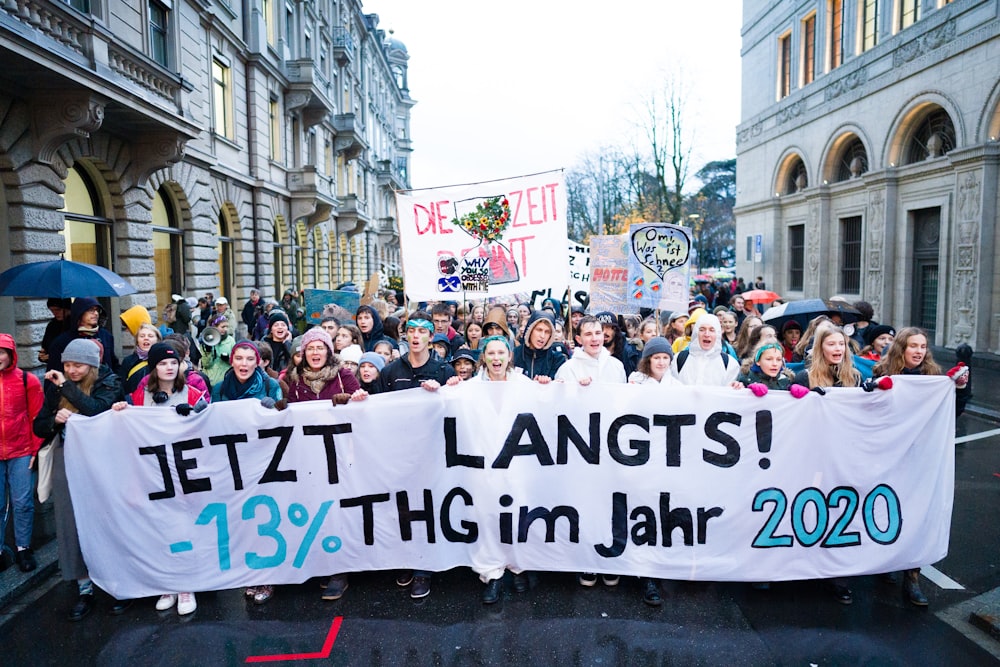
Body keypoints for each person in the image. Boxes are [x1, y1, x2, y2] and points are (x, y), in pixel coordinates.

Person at [872, 327, 969, 606]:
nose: (918, 351)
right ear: (901, 348)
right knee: (888, 511)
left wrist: (959, 390)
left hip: (921, 458)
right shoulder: (882, 373)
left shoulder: (934, 378)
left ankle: (912, 577)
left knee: (917, 514)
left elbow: (951, 412)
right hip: (890, 457)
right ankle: (884, 561)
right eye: (913, 346)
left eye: (923, 346)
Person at [112, 342, 208, 615]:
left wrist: (194, 416)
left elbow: (211, 423)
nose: (169, 367)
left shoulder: (194, 392)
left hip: (186, 470)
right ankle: (168, 582)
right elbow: (126, 427)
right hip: (152, 471)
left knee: (185, 526)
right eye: (163, 363)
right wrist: (121, 411)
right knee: (159, 527)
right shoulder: (140, 395)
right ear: (153, 367)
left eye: (173, 362)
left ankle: (187, 585)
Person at [34, 339, 124, 620]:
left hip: (102, 461)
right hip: (66, 457)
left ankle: (117, 584)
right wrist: (56, 421)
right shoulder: (57, 386)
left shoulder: (109, 382)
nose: (71, 370)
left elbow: (95, 409)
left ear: (92, 365)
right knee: (70, 522)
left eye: (78, 365)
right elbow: (39, 425)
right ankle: (84, 587)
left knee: (107, 520)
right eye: (68, 365)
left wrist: (65, 388)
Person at [445, 335, 536, 604]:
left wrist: (546, 387)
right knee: (486, 517)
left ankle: (517, 567)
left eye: (501, 353)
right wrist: (446, 389)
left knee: (517, 514)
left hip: (517, 464)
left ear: (509, 356)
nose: (496, 358)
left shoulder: (524, 384)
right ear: (483, 357)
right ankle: (492, 575)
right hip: (483, 466)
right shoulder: (470, 387)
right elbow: (447, 408)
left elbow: (547, 405)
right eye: (491, 353)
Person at [372, 317, 457, 598]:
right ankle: (406, 559)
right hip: (399, 451)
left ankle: (424, 568)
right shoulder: (391, 370)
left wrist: (447, 391)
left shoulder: (443, 369)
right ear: (405, 335)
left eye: (423, 331)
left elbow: (455, 411)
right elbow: (377, 406)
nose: (416, 336)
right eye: (411, 331)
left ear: (431, 338)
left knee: (428, 509)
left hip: (432, 452)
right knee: (403, 508)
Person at [283, 328, 363, 602]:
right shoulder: (294, 380)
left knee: (337, 510)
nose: (315, 353)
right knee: (316, 508)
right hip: (308, 456)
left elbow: (364, 405)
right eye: (310, 348)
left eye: (320, 348)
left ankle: (340, 570)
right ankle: (322, 562)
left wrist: (347, 402)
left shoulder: (343, 376)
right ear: (303, 353)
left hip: (341, 454)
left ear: (329, 352)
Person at [790, 324, 862, 605]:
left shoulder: (854, 378)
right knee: (811, 510)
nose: (837, 350)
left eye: (841, 345)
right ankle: (804, 566)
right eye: (832, 344)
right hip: (811, 457)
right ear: (821, 348)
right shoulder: (804, 376)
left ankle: (837, 576)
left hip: (842, 457)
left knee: (839, 511)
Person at [211, 340, 283, 603]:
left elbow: (282, 418)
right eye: (238, 358)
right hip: (233, 461)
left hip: (264, 460)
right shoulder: (220, 389)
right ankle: (251, 574)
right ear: (232, 361)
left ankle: (268, 576)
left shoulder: (269, 385)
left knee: (266, 516)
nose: (243, 364)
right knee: (243, 519)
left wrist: (274, 408)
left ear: (258, 362)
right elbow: (211, 424)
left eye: (248, 359)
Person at [0, 333, 44, 572]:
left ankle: (23, 548)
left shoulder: (28, 381)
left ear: (10, 354)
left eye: (1, 352)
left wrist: (35, 450)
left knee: (22, 502)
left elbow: (37, 417)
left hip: (21, 451)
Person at [46, 297, 120, 374]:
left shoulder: (106, 336)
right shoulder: (62, 341)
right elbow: (54, 372)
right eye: (91, 310)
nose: (96, 313)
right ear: (80, 312)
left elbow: (114, 364)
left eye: (97, 310)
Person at [671, 314, 740, 387]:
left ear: (718, 334)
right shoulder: (678, 359)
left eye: (712, 330)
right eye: (702, 330)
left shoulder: (730, 364)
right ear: (696, 333)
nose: (707, 334)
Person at [512, 310, 566, 381]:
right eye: (539, 330)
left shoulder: (557, 359)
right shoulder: (515, 354)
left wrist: (547, 384)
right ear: (530, 330)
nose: (542, 336)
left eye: (547, 332)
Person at [118, 320, 161, 395]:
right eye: (142, 336)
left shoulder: (163, 360)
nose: (146, 338)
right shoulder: (128, 361)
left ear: (157, 340)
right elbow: (122, 387)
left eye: (150, 336)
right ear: (137, 341)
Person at [595, 312, 639, 376]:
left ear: (615, 329)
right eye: (601, 328)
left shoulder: (631, 353)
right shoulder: (591, 352)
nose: (604, 332)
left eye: (608, 327)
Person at [38, 298, 73, 365]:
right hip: (53, 367)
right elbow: (45, 346)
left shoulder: (75, 325)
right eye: (52, 310)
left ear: (67, 309)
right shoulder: (52, 325)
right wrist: (42, 355)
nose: (55, 313)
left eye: (58, 310)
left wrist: (54, 356)